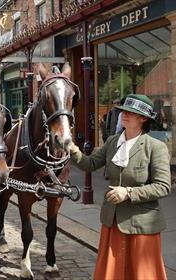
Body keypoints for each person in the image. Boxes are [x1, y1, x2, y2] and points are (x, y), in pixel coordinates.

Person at [68, 94, 171, 280]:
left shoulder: (156, 147)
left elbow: (163, 186)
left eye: (131, 113)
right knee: (113, 272)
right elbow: (90, 164)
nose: (124, 115)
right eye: (123, 111)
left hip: (142, 224)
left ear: (143, 118)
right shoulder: (113, 142)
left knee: (142, 274)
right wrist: (73, 150)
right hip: (113, 220)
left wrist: (128, 192)